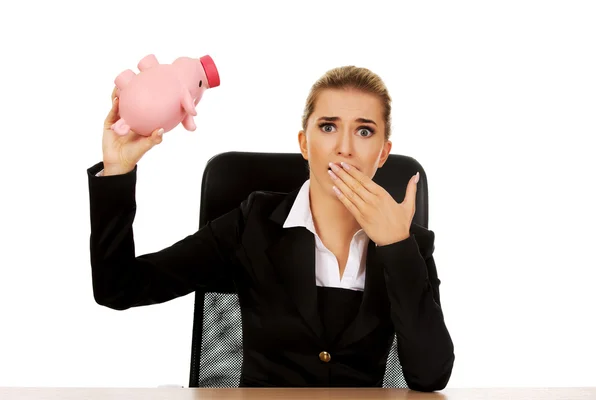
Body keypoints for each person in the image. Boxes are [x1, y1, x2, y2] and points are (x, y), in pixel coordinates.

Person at [86, 65, 455, 391]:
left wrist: (396, 246)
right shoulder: (253, 225)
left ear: (383, 153)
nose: (344, 148)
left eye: (364, 131)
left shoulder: (409, 245)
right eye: (328, 127)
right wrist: (117, 171)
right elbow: (119, 288)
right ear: (304, 144)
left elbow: (429, 375)